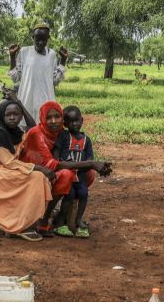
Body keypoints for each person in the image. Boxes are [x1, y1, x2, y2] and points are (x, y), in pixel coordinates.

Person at [20, 101, 111, 237]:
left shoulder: (62, 133)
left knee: (88, 174)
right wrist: (91, 163)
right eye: (48, 118)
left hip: (50, 173)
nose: (53, 121)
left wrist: (94, 166)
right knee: (66, 175)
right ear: (42, 119)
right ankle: (44, 220)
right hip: (32, 175)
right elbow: (54, 164)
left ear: (63, 119)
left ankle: (65, 216)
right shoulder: (37, 134)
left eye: (57, 116)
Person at [0, 99, 54, 241]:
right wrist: (39, 168)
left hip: (6, 169)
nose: (12, 118)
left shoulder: (17, 131)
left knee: (38, 178)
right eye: (8, 115)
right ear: (2, 116)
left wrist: (20, 104)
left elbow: (32, 127)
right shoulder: (0, 134)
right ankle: (18, 224)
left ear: (21, 116)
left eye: (16, 114)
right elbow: (9, 163)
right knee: (36, 178)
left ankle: (22, 220)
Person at [52, 106, 102, 238]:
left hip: (80, 175)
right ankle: (61, 222)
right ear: (65, 124)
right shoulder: (63, 136)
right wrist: (56, 163)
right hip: (67, 175)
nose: (74, 124)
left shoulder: (87, 140)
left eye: (77, 120)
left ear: (82, 120)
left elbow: (89, 159)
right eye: (70, 121)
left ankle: (79, 219)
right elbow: (56, 153)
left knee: (83, 194)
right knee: (69, 196)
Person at [8, 22, 68, 121]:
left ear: (48, 38)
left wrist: (63, 60)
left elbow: (55, 81)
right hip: (27, 102)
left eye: (44, 39)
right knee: (27, 131)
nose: (40, 42)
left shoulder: (51, 54)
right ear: (33, 37)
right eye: (37, 38)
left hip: (46, 102)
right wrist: (12, 57)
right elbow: (15, 78)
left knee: (45, 130)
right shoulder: (24, 52)